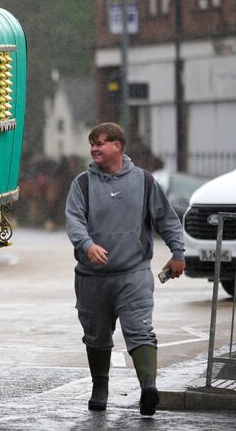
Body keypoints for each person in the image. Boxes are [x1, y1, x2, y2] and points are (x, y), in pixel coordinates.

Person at [65, 122, 185, 416]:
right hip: (92, 278)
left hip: (133, 274)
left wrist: (178, 253)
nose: (94, 148)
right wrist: (87, 245)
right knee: (96, 336)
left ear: (118, 146)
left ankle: (148, 389)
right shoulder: (82, 183)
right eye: (91, 143)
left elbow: (166, 220)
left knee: (140, 330)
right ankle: (100, 387)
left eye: (100, 143)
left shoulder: (144, 181)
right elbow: (74, 220)